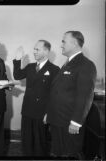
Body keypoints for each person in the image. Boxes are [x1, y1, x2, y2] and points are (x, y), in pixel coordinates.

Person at [45, 31, 97, 159]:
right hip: (58, 120)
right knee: (58, 153)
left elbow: (85, 96)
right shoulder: (67, 63)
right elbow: (59, 91)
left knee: (70, 155)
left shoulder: (85, 65)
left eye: (64, 41)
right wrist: (49, 113)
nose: (61, 44)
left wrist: (76, 122)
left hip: (69, 123)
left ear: (74, 43)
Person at [13, 40, 60, 156]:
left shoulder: (54, 69)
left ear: (46, 51)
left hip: (42, 113)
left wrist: (49, 112)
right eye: (34, 49)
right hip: (27, 110)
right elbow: (17, 75)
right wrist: (17, 60)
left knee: (40, 143)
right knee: (27, 142)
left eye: (37, 49)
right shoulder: (30, 66)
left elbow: (55, 94)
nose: (34, 52)